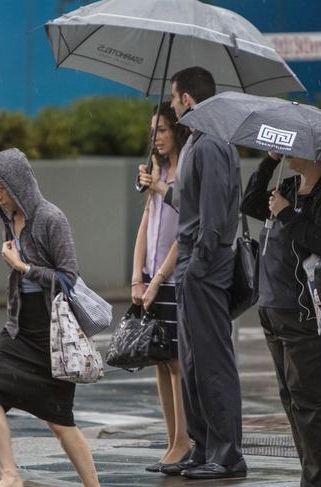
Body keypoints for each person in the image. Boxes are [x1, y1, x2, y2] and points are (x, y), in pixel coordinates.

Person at [0, 148, 100, 487]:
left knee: (60, 421)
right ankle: (11, 474)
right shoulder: (8, 220)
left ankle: (93, 485)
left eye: (2, 188)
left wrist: (24, 268)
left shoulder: (51, 218)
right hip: (18, 327)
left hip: (52, 331)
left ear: (20, 183)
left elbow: (69, 277)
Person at [143, 67, 246, 480]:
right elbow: (192, 200)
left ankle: (227, 455)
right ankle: (203, 448)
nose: (171, 104)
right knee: (193, 364)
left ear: (187, 99)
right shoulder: (200, 144)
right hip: (193, 265)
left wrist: (198, 265)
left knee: (212, 363)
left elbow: (216, 217)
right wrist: (158, 186)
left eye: (173, 96)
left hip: (203, 267)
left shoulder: (210, 144)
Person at [241, 152, 321, 487]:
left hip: (303, 312)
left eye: (293, 148)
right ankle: (311, 473)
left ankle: (319, 479)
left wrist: (287, 214)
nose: (289, 152)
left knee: (311, 401)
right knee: (290, 397)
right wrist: (269, 161)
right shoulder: (287, 185)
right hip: (272, 308)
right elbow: (249, 202)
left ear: (315, 154)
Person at [131, 102, 191, 473]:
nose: (157, 138)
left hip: (171, 278)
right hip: (151, 278)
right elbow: (146, 224)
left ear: (177, 131)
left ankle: (184, 441)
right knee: (159, 359)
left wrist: (156, 280)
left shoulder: (183, 171)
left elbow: (183, 235)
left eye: (163, 130)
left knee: (176, 364)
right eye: (153, 131)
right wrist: (136, 276)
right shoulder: (157, 171)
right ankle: (172, 440)